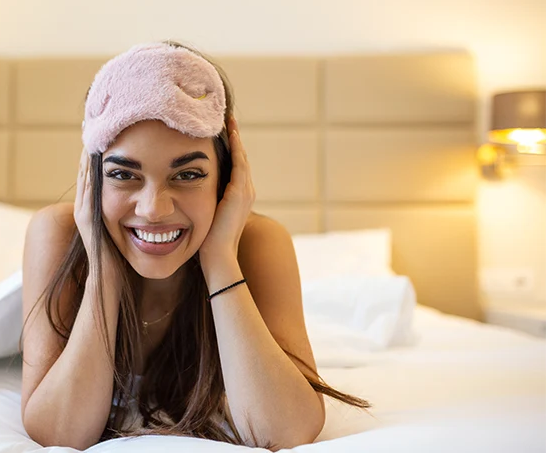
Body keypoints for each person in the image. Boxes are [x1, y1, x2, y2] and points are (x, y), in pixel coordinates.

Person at [20, 41, 369, 451]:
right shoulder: (60, 234)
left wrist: (219, 258)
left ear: (226, 177)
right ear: (93, 178)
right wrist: (103, 267)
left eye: (187, 175)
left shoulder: (257, 243)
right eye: (123, 174)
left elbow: (284, 432)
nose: (153, 209)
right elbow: (59, 435)